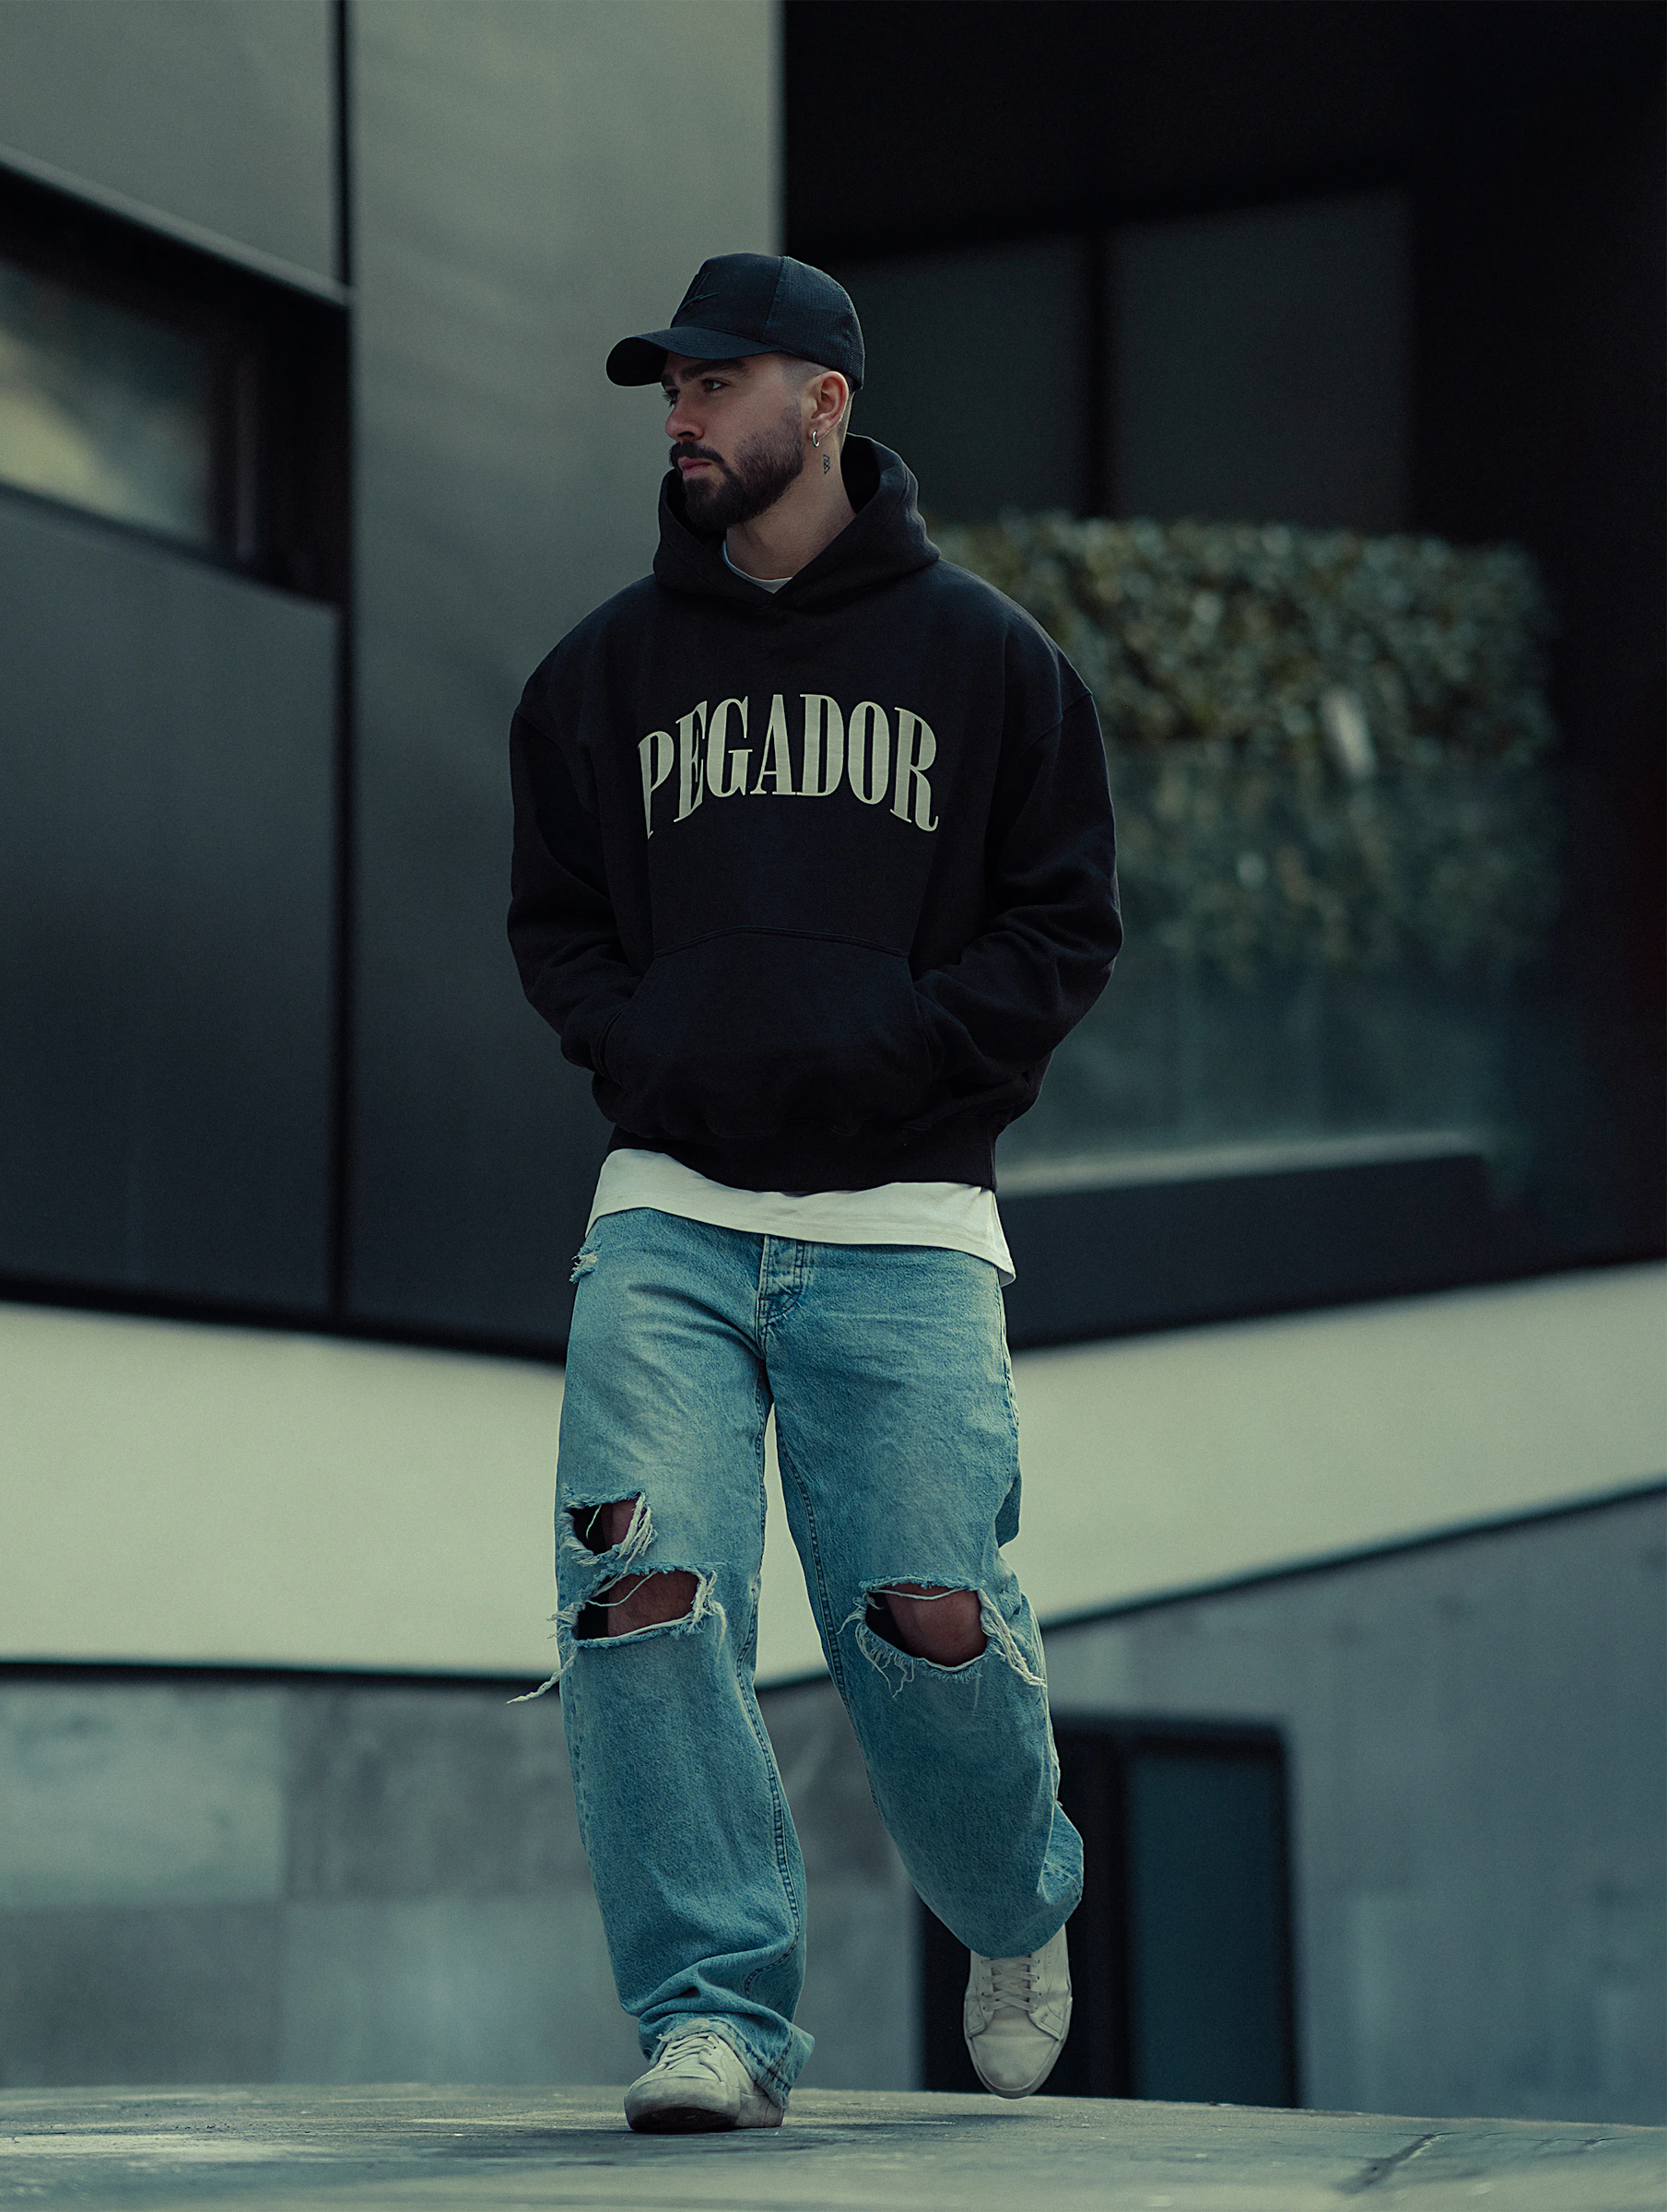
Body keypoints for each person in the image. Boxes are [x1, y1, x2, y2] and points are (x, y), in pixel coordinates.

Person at [507, 253, 1120, 2133]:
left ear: (827, 402)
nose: (681, 416)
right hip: (672, 1212)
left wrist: (900, 1059)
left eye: (717, 380)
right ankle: (716, 2014)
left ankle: (1014, 1906)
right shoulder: (601, 674)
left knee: (926, 1622)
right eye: (668, 388)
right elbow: (560, 931)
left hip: (907, 1227)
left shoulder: (991, 664)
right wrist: (661, 1057)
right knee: (641, 1593)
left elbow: (1062, 925)